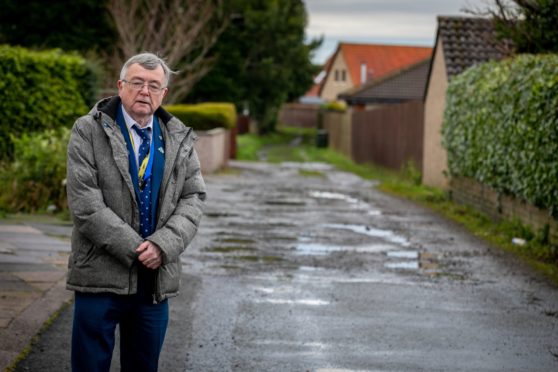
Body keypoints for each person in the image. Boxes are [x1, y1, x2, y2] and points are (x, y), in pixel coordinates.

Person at [66, 52, 206, 372]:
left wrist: (162, 245)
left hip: (154, 285)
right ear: (120, 86)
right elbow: (85, 204)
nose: (145, 91)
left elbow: (193, 197)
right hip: (99, 278)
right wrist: (138, 249)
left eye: (154, 85)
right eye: (137, 82)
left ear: (164, 93)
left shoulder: (178, 137)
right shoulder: (88, 130)